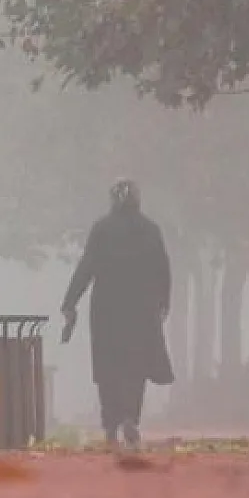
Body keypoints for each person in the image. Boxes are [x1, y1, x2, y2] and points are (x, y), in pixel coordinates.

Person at [61, 179, 174, 450]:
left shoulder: (102, 229)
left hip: (107, 310)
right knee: (136, 368)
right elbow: (163, 268)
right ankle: (130, 417)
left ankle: (110, 424)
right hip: (141, 309)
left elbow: (87, 266)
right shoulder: (150, 230)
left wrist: (70, 302)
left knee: (108, 368)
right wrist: (163, 302)